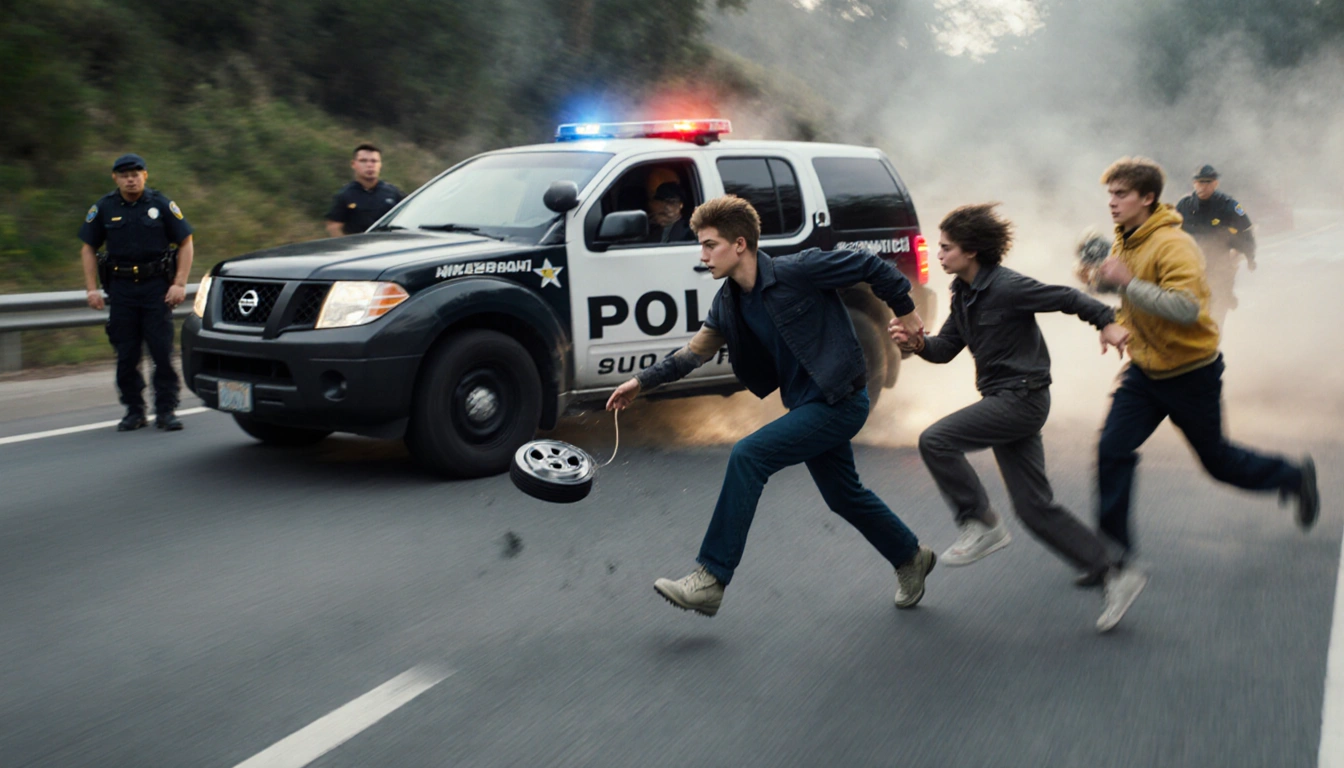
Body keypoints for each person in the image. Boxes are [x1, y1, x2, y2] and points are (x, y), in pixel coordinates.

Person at [606, 195, 935, 616]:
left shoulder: (800, 270)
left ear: (740, 244)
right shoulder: (728, 304)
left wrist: (907, 312)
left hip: (841, 400)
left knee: (749, 455)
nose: (702, 256)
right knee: (844, 495)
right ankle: (910, 556)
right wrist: (640, 382)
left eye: (710, 245)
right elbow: (691, 354)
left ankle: (711, 578)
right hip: (806, 406)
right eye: (701, 246)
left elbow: (869, 265)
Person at [1092, 157, 1318, 632]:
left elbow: (1186, 308)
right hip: (1144, 373)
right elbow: (1130, 296)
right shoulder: (1126, 237)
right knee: (1111, 451)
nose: (1111, 202)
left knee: (1219, 463)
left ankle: (1293, 476)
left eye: (1120, 194)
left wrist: (1127, 282)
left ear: (1147, 198)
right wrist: (1112, 316)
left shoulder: (1174, 244)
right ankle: (1116, 561)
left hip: (1190, 374)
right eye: (1109, 194)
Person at [890, 204, 1137, 629]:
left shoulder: (1007, 286)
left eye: (946, 247)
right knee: (1033, 507)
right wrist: (916, 345)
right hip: (1005, 400)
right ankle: (1112, 572)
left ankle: (980, 522)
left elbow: (1067, 297)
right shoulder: (962, 293)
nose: (939, 254)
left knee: (936, 440)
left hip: (1021, 399)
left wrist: (1106, 322)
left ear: (971, 251)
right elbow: (944, 349)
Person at [79, 153, 194, 432]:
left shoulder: (161, 204)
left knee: (161, 353)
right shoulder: (104, 208)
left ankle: (166, 410)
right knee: (126, 354)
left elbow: (186, 241)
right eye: (124, 175)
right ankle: (134, 411)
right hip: (122, 290)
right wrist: (92, 289)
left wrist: (179, 283)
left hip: (156, 288)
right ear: (115, 178)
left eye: (135, 174)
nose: (130, 179)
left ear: (145, 175)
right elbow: (88, 248)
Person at [1174, 165, 1256, 329]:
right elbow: (1171, 232)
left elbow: (1246, 232)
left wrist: (1250, 257)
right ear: (1194, 183)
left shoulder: (1228, 206)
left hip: (1219, 266)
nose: (1202, 187)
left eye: (1207, 182)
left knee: (1216, 313)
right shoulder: (1184, 206)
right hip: (1191, 266)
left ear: (1215, 184)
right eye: (1199, 182)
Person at [325, 143, 404, 237]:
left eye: (374, 161)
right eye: (363, 161)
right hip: (359, 244)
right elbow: (334, 226)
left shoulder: (393, 193)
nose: (369, 165)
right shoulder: (345, 195)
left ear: (380, 165)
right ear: (353, 164)